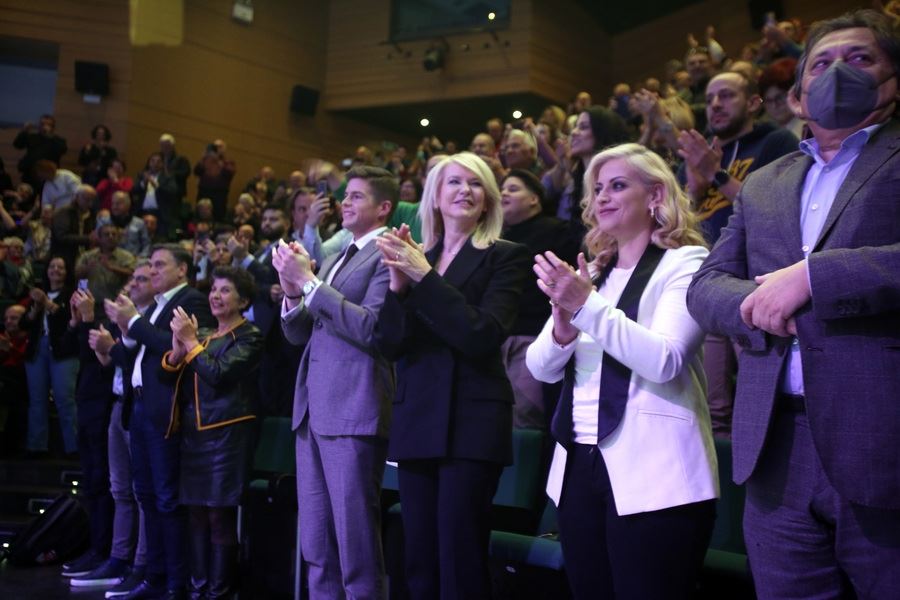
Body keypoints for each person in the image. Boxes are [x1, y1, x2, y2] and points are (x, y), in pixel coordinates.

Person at [687, 10, 900, 598]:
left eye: (861, 59)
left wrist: (814, 279)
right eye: (822, 64)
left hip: (883, 438)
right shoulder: (764, 181)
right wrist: (762, 303)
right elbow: (707, 285)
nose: (838, 73)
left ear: (893, 78)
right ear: (799, 95)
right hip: (775, 446)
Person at [526, 143, 717, 599]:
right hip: (578, 463)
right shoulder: (594, 270)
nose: (602, 198)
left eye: (617, 185)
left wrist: (584, 306)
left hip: (656, 469)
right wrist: (562, 327)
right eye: (596, 189)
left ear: (655, 196)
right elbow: (540, 367)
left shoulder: (686, 263)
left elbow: (665, 360)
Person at [374, 152, 530, 599]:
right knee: (419, 559)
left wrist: (423, 279)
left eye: (476, 184)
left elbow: (481, 334)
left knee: (460, 557)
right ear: (435, 199)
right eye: (454, 183)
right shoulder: (420, 257)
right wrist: (398, 289)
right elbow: (390, 344)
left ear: (488, 201)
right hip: (418, 419)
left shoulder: (506, 257)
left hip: (472, 424)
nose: (465, 190)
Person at [273, 166, 396, 599]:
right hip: (312, 407)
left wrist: (308, 281)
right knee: (317, 542)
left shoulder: (389, 253)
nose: (345, 202)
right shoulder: (334, 257)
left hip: (354, 406)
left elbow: (372, 330)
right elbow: (297, 333)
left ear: (384, 208)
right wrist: (292, 291)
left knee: (356, 542)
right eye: (346, 196)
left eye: (358, 197)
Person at [677, 70, 798, 439]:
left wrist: (716, 173)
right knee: (713, 407)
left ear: (753, 103)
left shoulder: (775, 141)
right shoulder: (703, 154)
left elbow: (775, 209)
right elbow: (682, 223)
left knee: (763, 398)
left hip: (758, 280)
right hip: (711, 282)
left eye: (726, 95)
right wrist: (694, 188)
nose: (715, 104)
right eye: (711, 97)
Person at [103, 244, 213, 599]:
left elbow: (172, 344)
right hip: (138, 407)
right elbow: (136, 353)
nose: (152, 270)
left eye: (160, 264)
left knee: (166, 499)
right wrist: (116, 337)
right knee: (146, 495)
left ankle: (174, 582)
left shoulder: (190, 300)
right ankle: (153, 574)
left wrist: (133, 321)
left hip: (164, 411)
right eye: (150, 264)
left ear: (182, 269)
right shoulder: (158, 305)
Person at [161, 266, 263, 599]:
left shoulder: (250, 335)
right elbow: (170, 375)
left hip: (227, 437)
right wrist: (178, 350)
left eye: (225, 290)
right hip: (193, 436)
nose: (215, 296)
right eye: (214, 289)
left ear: (243, 300)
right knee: (196, 515)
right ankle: (197, 588)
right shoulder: (203, 333)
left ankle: (218, 592)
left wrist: (190, 343)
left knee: (219, 515)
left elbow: (217, 374)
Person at [499, 169, 579, 429]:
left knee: (524, 417)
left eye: (513, 189)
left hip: (533, 338)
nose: (503, 193)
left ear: (534, 199)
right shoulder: (496, 238)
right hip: (497, 337)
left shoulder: (557, 231)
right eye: (502, 188)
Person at [20, 256, 79, 456]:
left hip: (64, 351)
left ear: (66, 272)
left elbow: (68, 319)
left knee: (65, 399)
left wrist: (46, 303)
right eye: (52, 266)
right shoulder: (39, 294)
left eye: (60, 267)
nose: (55, 270)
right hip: (38, 349)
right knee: (37, 400)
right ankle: (36, 446)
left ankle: (74, 447)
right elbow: (24, 324)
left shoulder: (72, 294)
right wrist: (36, 308)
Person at [13, 114, 68, 188]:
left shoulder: (58, 140)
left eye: (48, 124)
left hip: (48, 174)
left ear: (53, 127)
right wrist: (24, 131)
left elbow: (62, 150)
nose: (44, 126)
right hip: (30, 173)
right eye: (42, 124)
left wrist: (50, 137)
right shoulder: (32, 137)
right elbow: (17, 145)